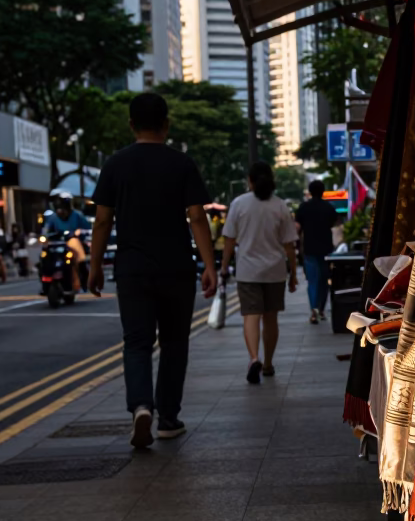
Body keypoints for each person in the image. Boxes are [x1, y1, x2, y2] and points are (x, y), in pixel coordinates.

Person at [88, 92, 217, 449]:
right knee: (175, 343)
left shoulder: (115, 164)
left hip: (132, 268)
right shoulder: (182, 163)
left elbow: (101, 221)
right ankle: (169, 419)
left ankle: (141, 406)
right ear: (167, 124)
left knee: (137, 342)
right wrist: (210, 265)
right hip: (176, 267)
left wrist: (95, 265)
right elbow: (196, 216)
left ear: (131, 125)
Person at [220, 162, 298, 384]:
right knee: (270, 318)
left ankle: (254, 357)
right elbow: (289, 245)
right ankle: (268, 363)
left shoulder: (238, 204)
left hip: (247, 271)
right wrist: (293, 274)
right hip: (274, 271)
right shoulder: (280, 206)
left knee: (251, 317)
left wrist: (224, 266)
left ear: (250, 181)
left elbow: (229, 240)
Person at [294, 179, 338, 324]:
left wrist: (296, 246)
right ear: (323, 191)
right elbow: (334, 225)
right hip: (326, 249)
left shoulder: (303, 207)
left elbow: (297, 229)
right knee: (324, 281)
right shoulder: (329, 207)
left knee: (312, 280)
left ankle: (314, 309)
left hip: (309, 249)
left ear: (310, 192)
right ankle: (322, 310)